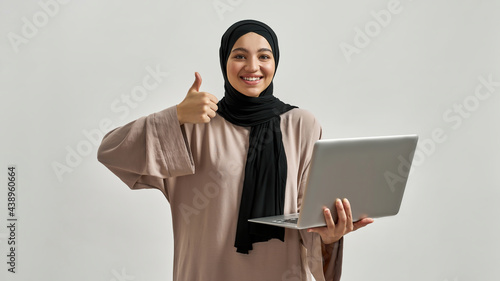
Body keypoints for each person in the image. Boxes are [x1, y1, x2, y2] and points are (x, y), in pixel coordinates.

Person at [97, 19, 373, 281]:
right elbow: (111, 151)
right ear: (224, 62)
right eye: (240, 56)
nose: (252, 66)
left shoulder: (301, 124)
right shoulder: (195, 125)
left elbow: (305, 216)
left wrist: (329, 238)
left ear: (275, 61)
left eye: (264, 56)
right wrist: (176, 115)